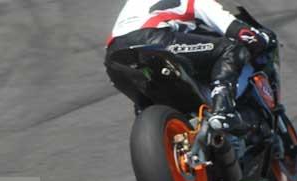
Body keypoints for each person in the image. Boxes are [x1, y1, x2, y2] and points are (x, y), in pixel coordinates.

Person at [105, 0, 274, 132]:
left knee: (150, 102)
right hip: (152, 39)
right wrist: (263, 39)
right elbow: (241, 33)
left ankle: (160, 139)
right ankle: (223, 110)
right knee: (231, 48)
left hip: (114, 57)